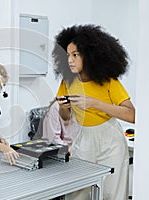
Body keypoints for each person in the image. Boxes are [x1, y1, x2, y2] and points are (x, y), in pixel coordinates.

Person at [52, 24, 135, 200]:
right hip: (83, 138)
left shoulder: (109, 81)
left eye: (75, 55)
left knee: (112, 193)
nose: (70, 60)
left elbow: (132, 115)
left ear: (90, 56)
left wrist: (95, 103)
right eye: (68, 55)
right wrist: (63, 108)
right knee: (77, 193)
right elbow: (65, 119)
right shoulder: (67, 82)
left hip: (110, 141)